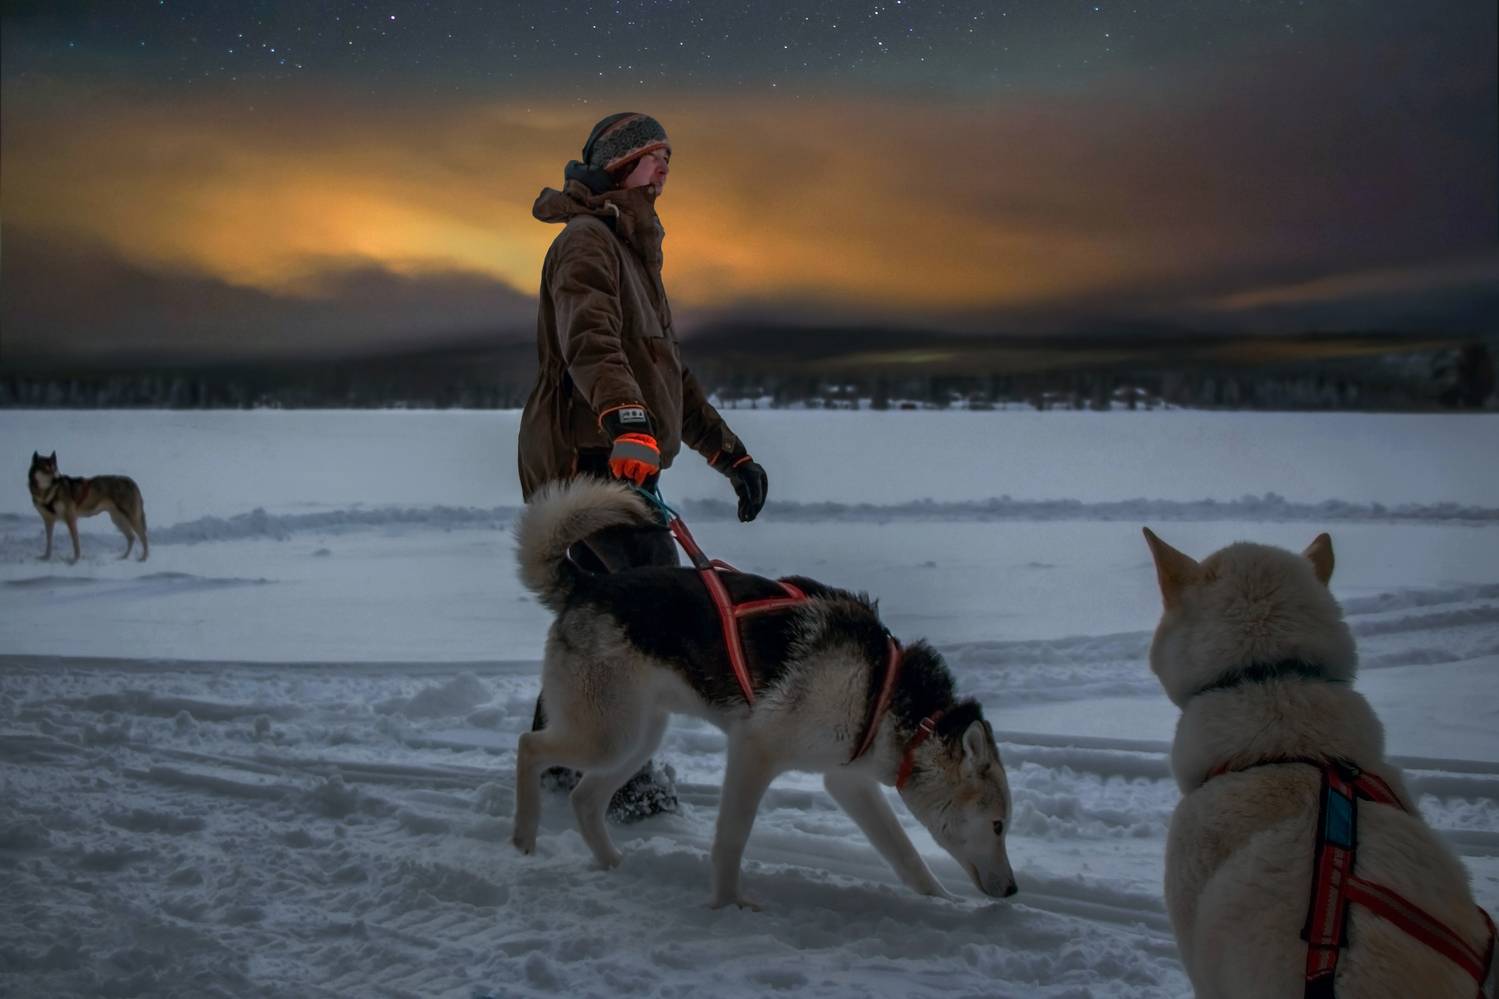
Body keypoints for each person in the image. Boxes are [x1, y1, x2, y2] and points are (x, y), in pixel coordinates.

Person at [519, 112, 768, 820]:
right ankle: (619, 778)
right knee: (645, 608)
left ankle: (559, 758)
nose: (664, 170)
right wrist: (626, 422)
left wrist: (730, 454)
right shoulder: (586, 241)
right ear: (619, 162)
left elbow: (671, 376)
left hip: (622, 458)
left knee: (602, 611)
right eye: (655, 156)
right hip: (586, 454)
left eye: (669, 159)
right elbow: (589, 339)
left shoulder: (633, 251)